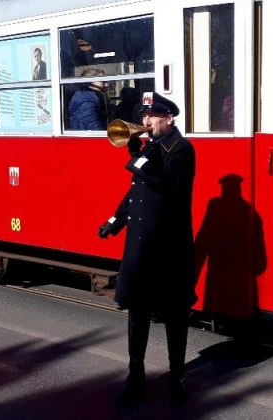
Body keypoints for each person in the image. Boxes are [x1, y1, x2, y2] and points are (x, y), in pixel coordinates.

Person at [97, 91, 196, 407]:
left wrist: (138, 158)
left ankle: (177, 379)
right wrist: (114, 221)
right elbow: (135, 195)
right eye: (142, 117)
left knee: (174, 318)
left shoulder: (181, 150)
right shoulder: (150, 148)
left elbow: (167, 183)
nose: (145, 122)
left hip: (169, 252)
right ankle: (135, 376)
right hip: (141, 250)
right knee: (137, 315)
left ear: (169, 118)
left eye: (151, 117)